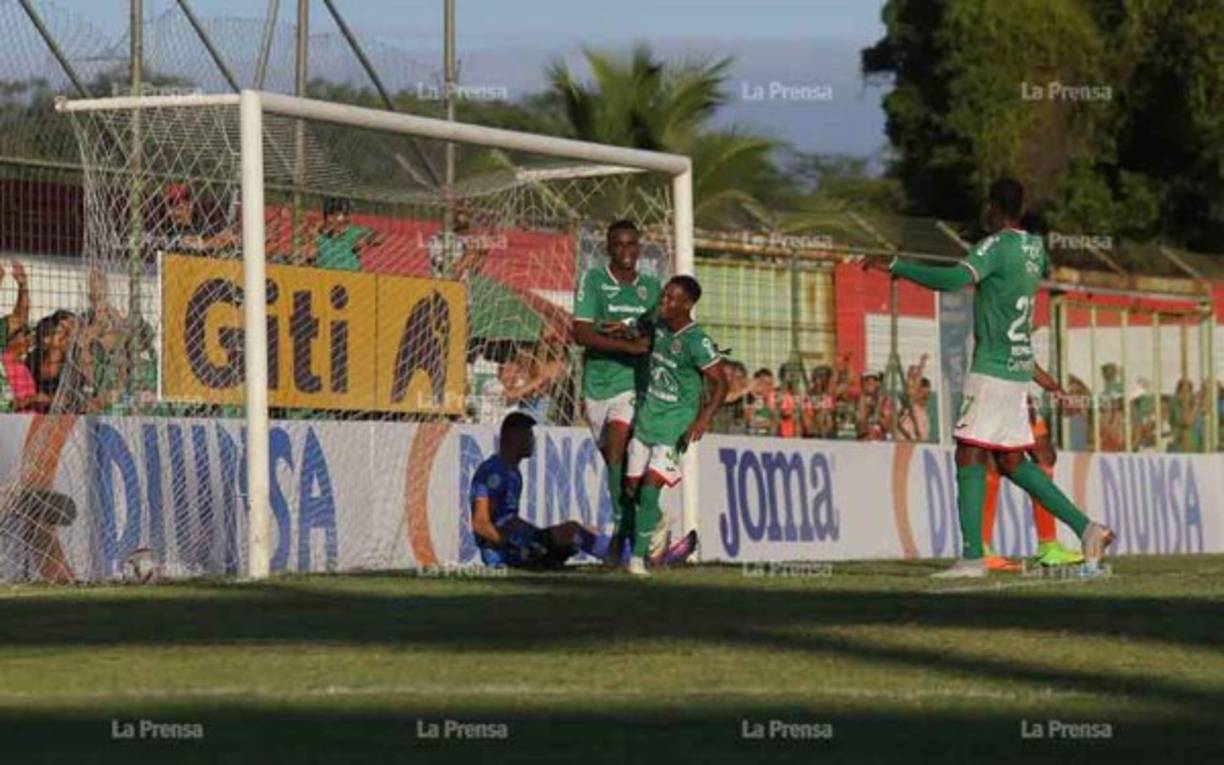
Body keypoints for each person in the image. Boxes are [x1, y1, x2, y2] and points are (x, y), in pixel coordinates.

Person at [871, 177, 1115, 577]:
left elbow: (954, 279)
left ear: (993, 208)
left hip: (993, 369)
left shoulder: (996, 245)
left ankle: (971, 558)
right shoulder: (1035, 249)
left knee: (968, 453)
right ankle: (1087, 528)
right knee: (1012, 461)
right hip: (1017, 369)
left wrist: (897, 266)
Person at [622, 275, 726, 577]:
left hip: (675, 426)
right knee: (632, 488)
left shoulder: (697, 341)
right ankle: (656, 523)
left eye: (670, 299)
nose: (663, 302)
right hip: (648, 419)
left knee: (650, 489)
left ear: (688, 305)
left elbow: (721, 382)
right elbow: (640, 334)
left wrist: (704, 417)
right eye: (664, 296)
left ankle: (638, 561)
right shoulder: (659, 326)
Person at [571, 219, 659, 563]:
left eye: (632, 245)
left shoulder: (651, 288)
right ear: (608, 248)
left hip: (633, 383)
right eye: (619, 245)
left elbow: (656, 335)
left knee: (621, 442)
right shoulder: (593, 281)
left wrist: (637, 340)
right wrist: (625, 342)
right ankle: (636, 526)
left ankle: (626, 530)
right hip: (597, 384)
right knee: (613, 459)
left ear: (639, 248)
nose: (626, 252)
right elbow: (581, 333)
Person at [980, 363, 1086, 570]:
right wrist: (1055, 390)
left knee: (1042, 455)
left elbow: (1022, 355)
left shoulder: (1016, 336)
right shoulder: (997, 334)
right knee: (999, 459)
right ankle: (982, 548)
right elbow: (1016, 354)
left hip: (1013, 389)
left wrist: (1055, 390)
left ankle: (1048, 545)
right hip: (999, 390)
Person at [469, 412, 601, 569]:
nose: (532, 440)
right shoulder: (492, 471)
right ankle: (622, 556)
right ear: (513, 437)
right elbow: (480, 523)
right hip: (505, 552)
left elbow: (510, 519)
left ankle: (619, 554)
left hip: (524, 540)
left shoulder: (514, 472)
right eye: (528, 434)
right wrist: (509, 544)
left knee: (582, 533)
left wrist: (535, 536)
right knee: (573, 533)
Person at [308, 197, 382, 271]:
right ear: (329, 217)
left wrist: (367, 239)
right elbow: (310, 257)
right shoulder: (319, 235)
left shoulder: (353, 232)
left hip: (350, 274)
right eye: (343, 214)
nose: (347, 218)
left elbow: (379, 238)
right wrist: (312, 245)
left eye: (346, 214)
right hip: (326, 275)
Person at [745, 368, 777, 436]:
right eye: (766, 383)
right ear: (756, 383)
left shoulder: (772, 402)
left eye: (771, 384)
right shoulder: (748, 400)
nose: (769, 387)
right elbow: (750, 422)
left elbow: (776, 423)